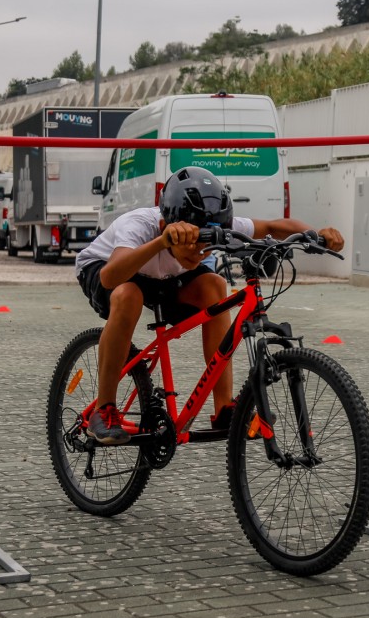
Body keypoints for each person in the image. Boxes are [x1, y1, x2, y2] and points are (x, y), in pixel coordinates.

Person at [75, 166, 345, 445]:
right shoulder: (138, 226)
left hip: (165, 276)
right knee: (129, 295)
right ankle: (104, 410)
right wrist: (161, 242)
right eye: (191, 243)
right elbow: (110, 277)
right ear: (162, 226)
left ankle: (224, 408)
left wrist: (315, 235)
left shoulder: (212, 222)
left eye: (205, 243)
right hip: (108, 268)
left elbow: (274, 226)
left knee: (215, 286)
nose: (198, 252)